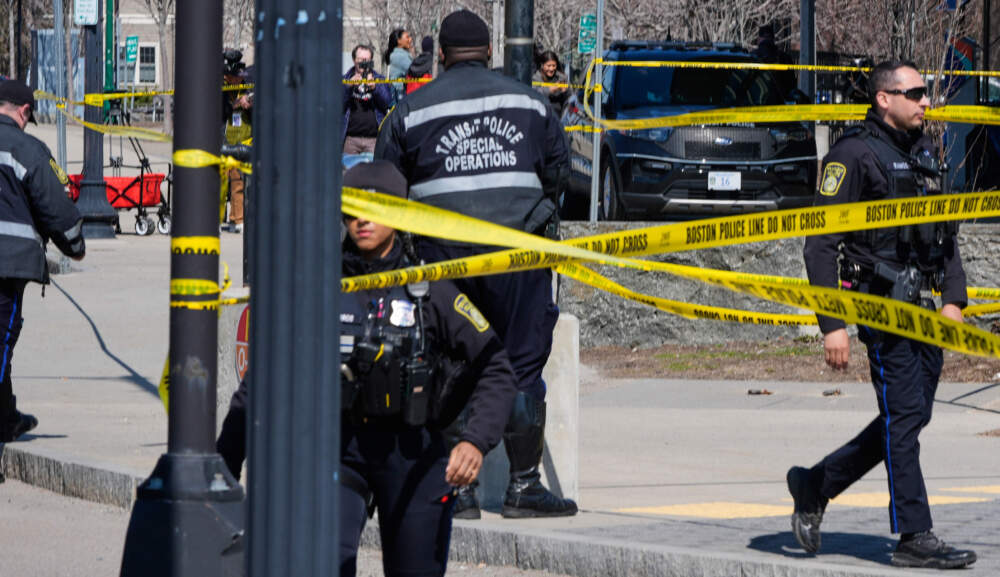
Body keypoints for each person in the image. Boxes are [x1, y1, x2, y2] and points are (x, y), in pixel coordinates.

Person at [216, 161, 517, 577]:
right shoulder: (318, 287)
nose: (362, 219)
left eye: (375, 208)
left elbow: (496, 366)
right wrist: (223, 466)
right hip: (339, 450)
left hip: (413, 452)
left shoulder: (430, 287)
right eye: (353, 207)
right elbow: (262, 378)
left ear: (399, 213)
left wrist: (475, 441)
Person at [376, 9, 576, 519]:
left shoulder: (411, 110)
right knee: (522, 364)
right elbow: (559, 168)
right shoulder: (528, 102)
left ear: (440, 55)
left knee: (452, 363)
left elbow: (384, 189)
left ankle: (458, 492)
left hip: (445, 264)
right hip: (518, 255)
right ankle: (524, 486)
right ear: (489, 51)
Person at [793, 61, 976, 569]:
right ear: (883, 99)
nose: (925, 102)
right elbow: (820, 247)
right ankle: (915, 535)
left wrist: (954, 300)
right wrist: (833, 325)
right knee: (904, 420)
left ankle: (815, 484)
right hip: (882, 308)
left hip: (926, 312)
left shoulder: (925, 153)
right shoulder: (851, 156)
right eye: (915, 93)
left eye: (926, 93)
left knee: (908, 419)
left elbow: (947, 235)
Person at [0, 79, 86, 481]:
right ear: (22, 111)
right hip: (7, 265)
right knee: (0, 342)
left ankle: (6, 417)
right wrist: (74, 245)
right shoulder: (28, 149)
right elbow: (57, 210)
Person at [222, 49, 252, 233]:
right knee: (220, 182)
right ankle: (216, 219)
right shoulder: (223, 89)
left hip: (244, 143)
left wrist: (248, 102)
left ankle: (237, 219)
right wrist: (234, 104)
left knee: (238, 181)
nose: (232, 79)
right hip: (224, 141)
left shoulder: (248, 87)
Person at [343, 44, 393, 155]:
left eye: (367, 60)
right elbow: (337, 104)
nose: (363, 63)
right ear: (354, 60)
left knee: (373, 172)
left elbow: (387, 102)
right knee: (349, 171)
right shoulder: (345, 79)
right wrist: (348, 87)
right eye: (360, 60)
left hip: (373, 140)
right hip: (350, 139)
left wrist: (375, 88)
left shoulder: (379, 79)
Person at [532, 50, 569, 118]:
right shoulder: (535, 78)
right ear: (542, 65)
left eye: (553, 65)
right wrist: (549, 90)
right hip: (539, 115)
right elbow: (534, 94)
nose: (551, 69)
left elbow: (570, 99)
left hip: (558, 116)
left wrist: (565, 92)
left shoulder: (562, 78)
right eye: (548, 66)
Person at [384, 28, 414, 101]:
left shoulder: (401, 54)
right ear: (399, 41)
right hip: (399, 92)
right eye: (407, 37)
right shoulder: (399, 56)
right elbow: (413, 69)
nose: (410, 39)